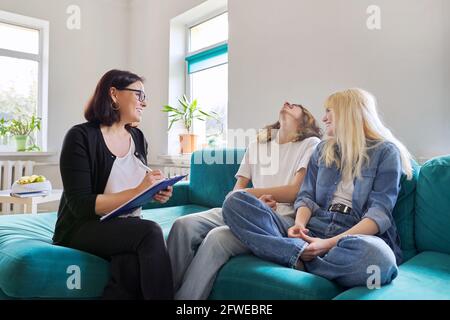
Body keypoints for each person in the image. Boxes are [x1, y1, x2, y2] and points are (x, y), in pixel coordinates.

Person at [223, 88, 413, 288]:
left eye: (329, 111)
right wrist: (299, 225)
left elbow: (378, 214)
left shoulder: (386, 152)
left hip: (351, 237)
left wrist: (326, 245)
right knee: (235, 201)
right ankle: (300, 254)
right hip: (313, 227)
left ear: (347, 112)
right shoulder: (322, 150)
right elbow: (306, 197)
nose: (324, 118)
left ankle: (298, 258)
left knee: (379, 259)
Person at [167, 102, 322, 299]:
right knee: (183, 225)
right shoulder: (258, 143)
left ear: (305, 119)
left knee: (217, 238)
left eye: (294, 105)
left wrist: (252, 198)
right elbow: (236, 192)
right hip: (242, 207)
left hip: (278, 218)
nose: (286, 104)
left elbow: (295, 191)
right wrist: (250, 201)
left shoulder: (310, 143)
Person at [53, 69, 174, 299]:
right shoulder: (80, 137)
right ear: (114, 94)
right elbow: (80, 205)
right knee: (149, 231)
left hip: (121, 222)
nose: (144, 103)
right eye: (139, 94)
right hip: (82, 226)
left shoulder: (138, 138)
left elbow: (129, 189)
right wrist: (139, 190)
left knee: (129, 263)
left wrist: (154, 191)